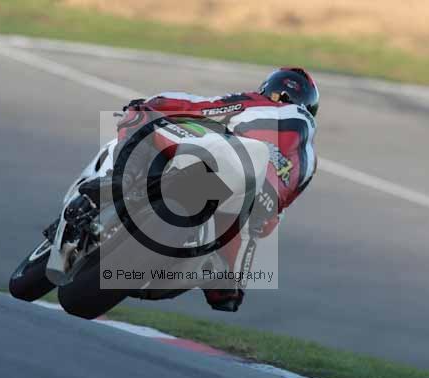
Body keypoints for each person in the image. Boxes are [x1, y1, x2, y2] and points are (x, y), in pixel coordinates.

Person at [84, 67, 319, 312]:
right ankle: (222, 284)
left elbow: (200, 107)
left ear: (268, 89)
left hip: (229, 161)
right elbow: (273, 219)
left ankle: (118, 182)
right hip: (255, 203)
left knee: (141, 115)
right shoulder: (310, 162)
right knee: (228, 289)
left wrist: (153, 104)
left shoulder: (261, 103)